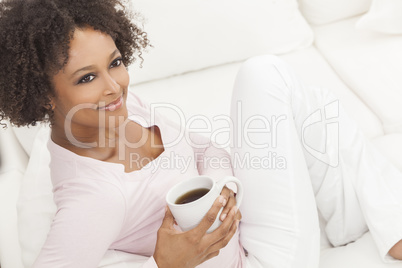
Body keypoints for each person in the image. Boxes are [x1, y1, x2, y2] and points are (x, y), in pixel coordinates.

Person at [1, 0, 402, 267]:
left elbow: (204, 146)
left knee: (311, 102)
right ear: (43, 96)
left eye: (116, 62)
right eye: (87, 77)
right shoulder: (93, 198)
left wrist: (225, 183)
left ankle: (364, 222)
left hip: (251, 225)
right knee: (264, 74)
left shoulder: (125, 109)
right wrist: (163, 265)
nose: (114, 86)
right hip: (260, 260)